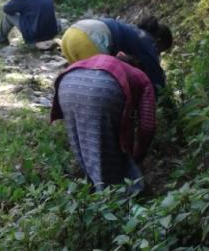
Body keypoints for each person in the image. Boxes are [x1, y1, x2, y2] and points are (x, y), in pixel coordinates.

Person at [51, 54, 156, 191]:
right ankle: (112, 195)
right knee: (108, 148)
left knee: (83, 144)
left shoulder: (96, 59)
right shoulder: (141, 77)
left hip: (68, 84)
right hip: (104, 87)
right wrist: (139, 154)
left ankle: (90, 187)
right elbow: (147, 126)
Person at [60, 16, 172, 91]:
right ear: (158, 41)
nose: (157, 54)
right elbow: (156, 78)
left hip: (70, 34)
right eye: (160, 50)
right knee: (96, 88)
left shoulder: (135, 32)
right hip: (88, 39)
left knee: (82, 82)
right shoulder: (148, 42)